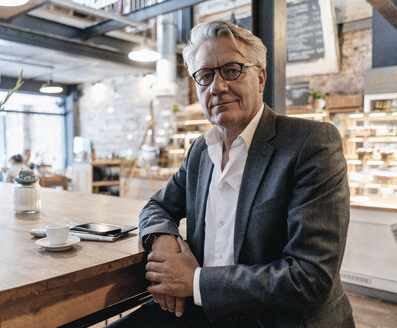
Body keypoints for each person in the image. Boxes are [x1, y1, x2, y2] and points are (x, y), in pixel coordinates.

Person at [108, 21, 354, 328]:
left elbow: (311, 277)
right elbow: (157, 206)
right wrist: (163, 241)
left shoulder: (310, 143)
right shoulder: (201, 150)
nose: (218, 86)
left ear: (261, 77)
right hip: (201, 312)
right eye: (205, 76)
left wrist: (194, 281)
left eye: (232, 70)